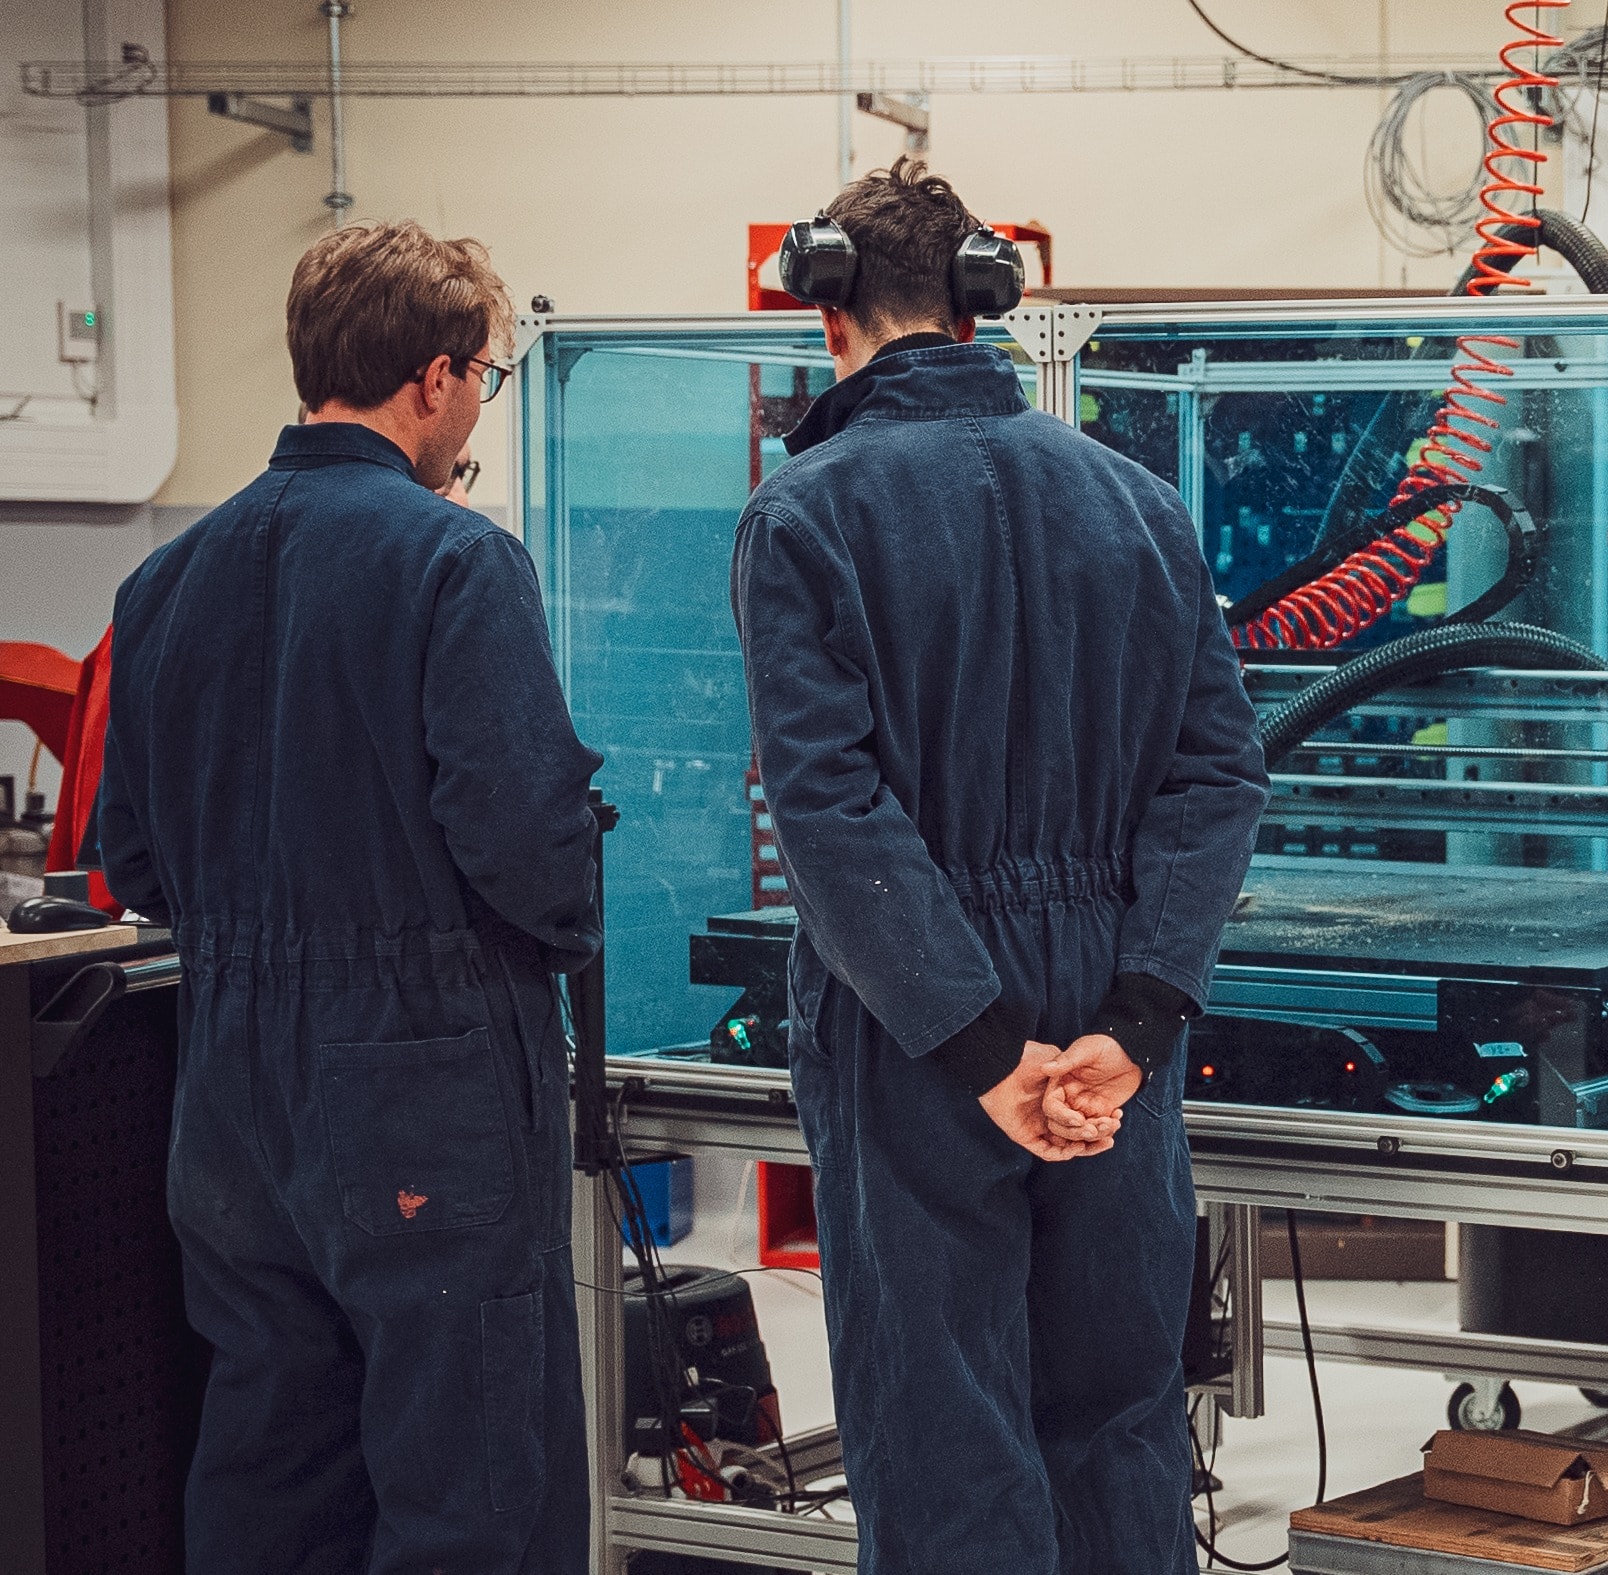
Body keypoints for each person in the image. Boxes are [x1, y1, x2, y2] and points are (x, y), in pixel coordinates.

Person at [731, 160, 1268, 1571]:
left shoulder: (804, 514)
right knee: (1117, 1415)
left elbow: (830, 808)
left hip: (918, 1019)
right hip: (1106, 1021)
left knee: (942, 1424)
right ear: (983, 297)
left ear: (824, 297)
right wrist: (1133, 1022)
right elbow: (1217, 771)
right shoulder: (1139, 501)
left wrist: (978, 1049)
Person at [98, 221, 603, 1568]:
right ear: (436, 378)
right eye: (486, 378)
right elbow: (531, 854)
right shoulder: (454, 561)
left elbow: (132, 861)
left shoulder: (160, 584)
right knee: (471, 1484)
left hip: (227, 1104)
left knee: (270, 1473)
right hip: (420, 1097)